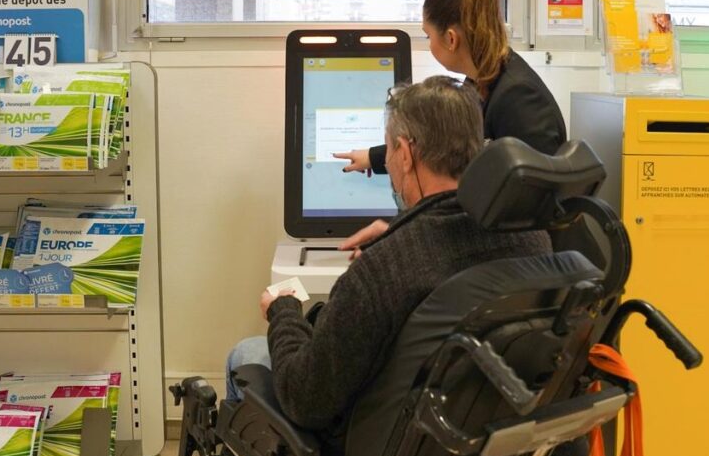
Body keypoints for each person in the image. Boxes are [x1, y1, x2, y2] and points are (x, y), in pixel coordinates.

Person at [225, 76, 552, 429]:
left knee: (246, 354)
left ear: (405, 153)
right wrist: (400, 234)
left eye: (389, 151)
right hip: (482, 453)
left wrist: (284, 313)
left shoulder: (385, 270)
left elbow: (305, 398)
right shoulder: (533, 241)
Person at [334, 0, 566, 251]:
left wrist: (410, 240)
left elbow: (533, 207)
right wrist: (374, 157)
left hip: (534, 259)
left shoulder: (518, 97)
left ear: (451, 39)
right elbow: (439, 147)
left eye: (428, 35)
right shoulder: (482, 81)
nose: (428, 43)